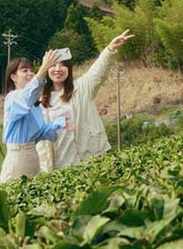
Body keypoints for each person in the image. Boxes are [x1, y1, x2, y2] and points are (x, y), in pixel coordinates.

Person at [37, 29, 134, 171]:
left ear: (69, 69)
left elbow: (98, 72)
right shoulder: (40, 100)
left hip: (88, 159)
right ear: (46, 69)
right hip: (57, 165)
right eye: (53, 65)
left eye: (62, 65)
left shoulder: (82, 87)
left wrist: (110, 49)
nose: (58, 69)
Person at [0, 49, 72, 182]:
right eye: (24, 70)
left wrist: (60, 123)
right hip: (18, 156)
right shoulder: (13, 98)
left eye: (31, 70)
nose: (30, 73)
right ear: (13, 77)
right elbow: (27, 96)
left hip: (32, 155)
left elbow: (39, 132)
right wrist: (43, 69)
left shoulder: (33, 104)